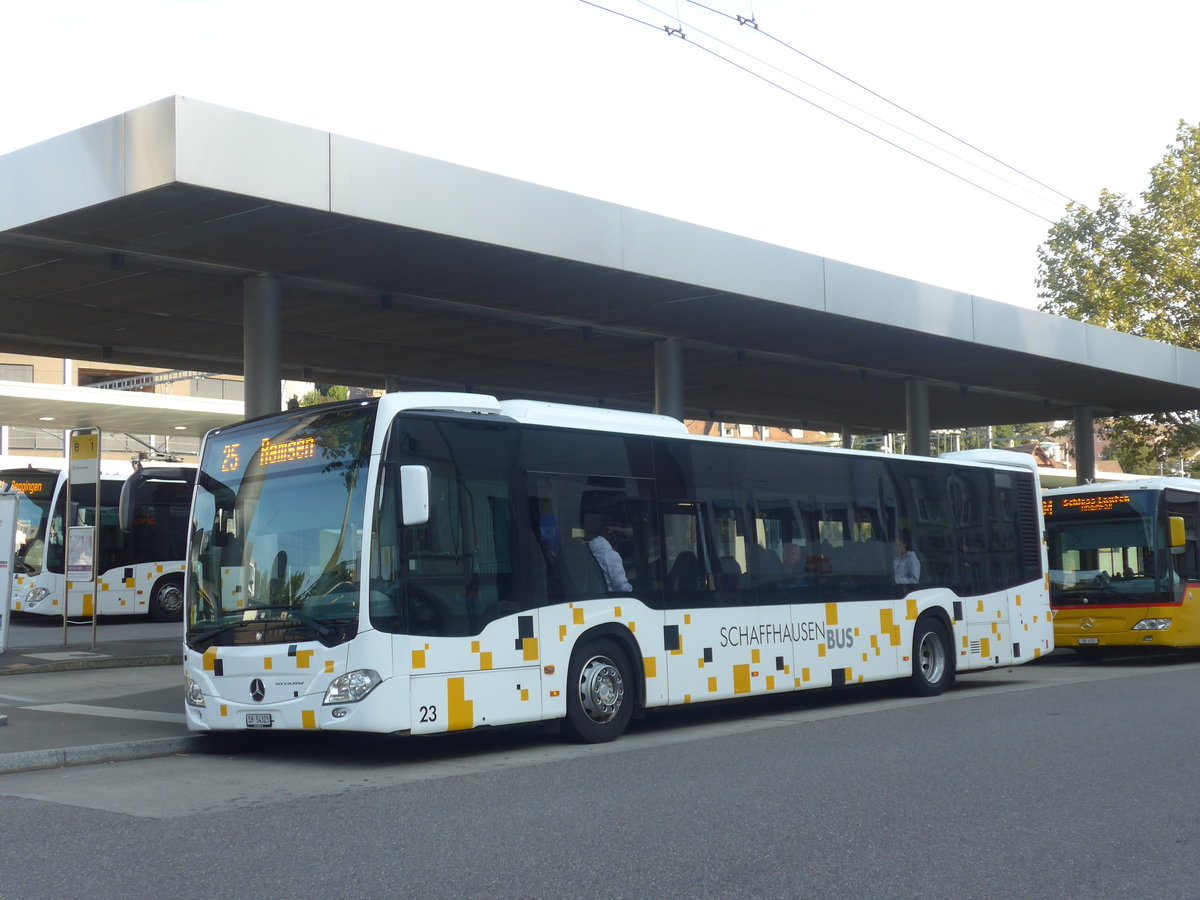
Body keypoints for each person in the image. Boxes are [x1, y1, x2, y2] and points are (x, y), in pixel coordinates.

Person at [587, 520, 632, 592]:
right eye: (619, 537)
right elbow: (621, 587)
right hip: (611, 598)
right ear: (612, 536)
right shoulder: (611, 555)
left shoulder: (591, 551)